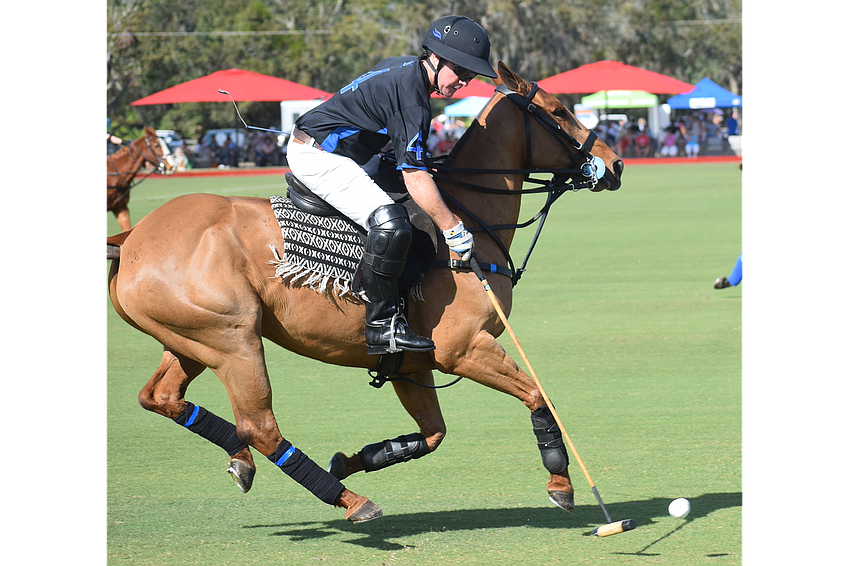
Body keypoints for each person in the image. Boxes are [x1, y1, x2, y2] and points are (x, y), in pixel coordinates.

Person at [285, 15, 496, 356]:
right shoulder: (413, 97)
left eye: (471, 75)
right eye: (461, 72)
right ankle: (382, 327)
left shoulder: (404, 69)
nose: (465, 82)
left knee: (414, 203)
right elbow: (414, 175)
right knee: (392, 223)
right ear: (437, 58)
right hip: (319, 156)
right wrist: (452, 228)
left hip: (341, 151)